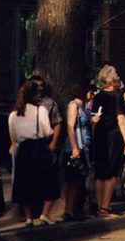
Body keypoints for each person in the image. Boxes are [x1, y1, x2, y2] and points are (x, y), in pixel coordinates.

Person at [8, 80, 58, 226]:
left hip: (23, 149)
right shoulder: (40, 110)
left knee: (25, 183)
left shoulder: (14, 114)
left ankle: (29, 217)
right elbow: (47, 130)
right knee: (49, 180)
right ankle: (45, 214)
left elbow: (14, 135)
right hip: (39, 146)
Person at [90, 65, 125, 217]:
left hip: (99, 134)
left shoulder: (97, 97)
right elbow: (121, 119)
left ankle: (100, 205)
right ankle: (106, 206)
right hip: (113, 135)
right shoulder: (116, 97)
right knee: (111, 172)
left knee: (100, 172)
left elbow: (94, 119)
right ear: (113, 81)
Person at [28, 74, 62, 224]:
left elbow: (57, 122)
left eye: (41, 85)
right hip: (28, 144)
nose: (39, 89)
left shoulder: (48, 103)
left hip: (45, 143)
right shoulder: (24, 102)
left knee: (47, 178)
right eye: (36, 85)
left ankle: (44, 213)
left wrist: (54, 142)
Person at [62, 80, 94, 221]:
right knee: (74, 180)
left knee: (78, 180)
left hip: (84, 146)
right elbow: (70, 126)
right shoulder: (74, 105)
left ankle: (75, 210)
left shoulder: (83, 106)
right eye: (89, 91)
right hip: (76, 147)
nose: (91, 94)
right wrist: (74, 147)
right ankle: (69, 211)